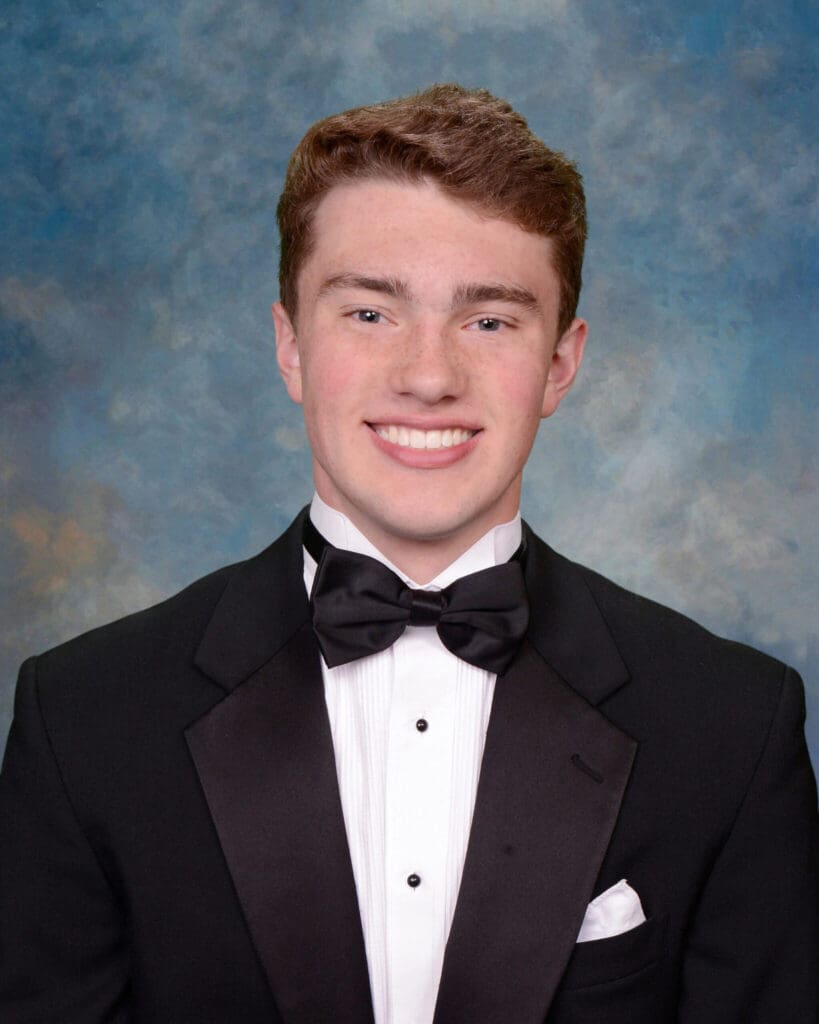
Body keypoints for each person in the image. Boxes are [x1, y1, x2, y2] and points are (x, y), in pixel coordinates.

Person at [0, 84, 816, 1024]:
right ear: (290, 347)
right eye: (370, 314)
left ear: (560, 364)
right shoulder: (84, 721)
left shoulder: (731, 728)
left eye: (489, 321)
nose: (429, 376)